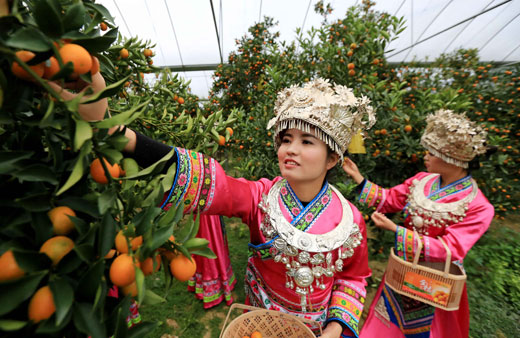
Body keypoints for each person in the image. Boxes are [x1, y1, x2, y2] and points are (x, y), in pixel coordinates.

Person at [51, 74, 375, 337]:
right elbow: (210, 182)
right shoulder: (260, 199)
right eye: (286, 139)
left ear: (333, 157)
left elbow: (353, 278)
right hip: (258, 328)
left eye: (306, 142)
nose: (290, 149)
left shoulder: (351, 219)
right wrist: (121, 135)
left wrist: (334, 328)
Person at [343, 109, 494, 338]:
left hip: (437, 284)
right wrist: (358, 178)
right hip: (400, 274)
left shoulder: (479, 206)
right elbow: (390, 199)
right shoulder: (421, 181)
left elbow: (451, 250)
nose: (425, 156)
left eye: (431, 152)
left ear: (452, 158)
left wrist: (397, 231)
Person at [187, 215, 237, 309]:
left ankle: (215, 283)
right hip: (205, 214)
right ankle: (211, 285)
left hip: (211, 212)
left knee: (213, 243)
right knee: (208, 242)